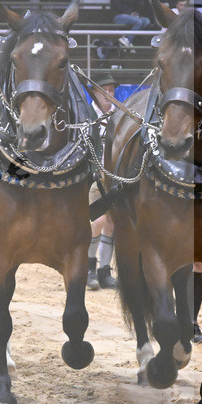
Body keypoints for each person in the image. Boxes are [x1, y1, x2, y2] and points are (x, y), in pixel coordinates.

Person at [86, 72, 118, 290]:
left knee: (112, 223)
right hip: (93, 175)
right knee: (96, 221)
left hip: (116, 175)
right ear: (94, 93)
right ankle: (89, 267)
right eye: (103, 90)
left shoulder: (119, 115)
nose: (108, 95)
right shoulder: (86, 114)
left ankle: (104, 270)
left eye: (111, 90)